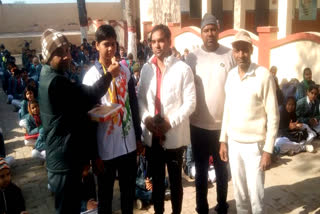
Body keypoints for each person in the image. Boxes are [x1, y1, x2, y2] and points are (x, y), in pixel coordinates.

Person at [38, 28, 117, 214]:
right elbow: (86, 96)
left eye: (66, 51)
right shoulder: (55, 82)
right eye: (59, 53)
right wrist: (109, 76)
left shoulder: (49, 74)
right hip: (64, 162)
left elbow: (76, 106)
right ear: (48, 56)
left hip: (64, 158)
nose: (66, 56)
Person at [83, 24, 142, 214]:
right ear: (96, 45)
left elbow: (133, 105)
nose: (111, 49)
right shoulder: (90, 77)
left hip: (128, 144)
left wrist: (138, 137)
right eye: (106, 44)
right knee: (106, 198)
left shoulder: (125, 71)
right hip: (105, 147)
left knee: (128, 194)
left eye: (114, 44)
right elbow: (88, 120)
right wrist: (94, 155)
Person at [219, 31, 279, 214]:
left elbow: (274, 116)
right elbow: (227, 109)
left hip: (255, 147)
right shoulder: (230, 76)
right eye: (237, 50)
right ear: (233, 52)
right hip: (234, 144)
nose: (240, 55)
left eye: (244, 50)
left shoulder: (263, 75)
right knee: (240, 196)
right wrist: (223, 140)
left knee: (256, 198)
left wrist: (268, 150)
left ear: (251, 50)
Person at [138, 24, 196, 214]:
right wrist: (147, 120)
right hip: (152, 135)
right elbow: (140, 99)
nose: (157, 45)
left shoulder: (182, 69)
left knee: (175, 181)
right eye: (153, 41)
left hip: (173, 136)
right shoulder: (146, 69)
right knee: (155, 181)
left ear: (169, 42)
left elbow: (190, 103)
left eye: (161, 40)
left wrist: (169, 123)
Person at [185, 13, 235, 214]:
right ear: (201, 33)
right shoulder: (192, 57)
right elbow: (185, 87)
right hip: (197, 126)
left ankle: (222, 205)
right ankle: (202, 207)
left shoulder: (229, 54)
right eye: (206, 30)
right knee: (201, 171)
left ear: (219, 30)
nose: (210, 33)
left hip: (222, 127)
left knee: (223, 171)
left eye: (213, 29)